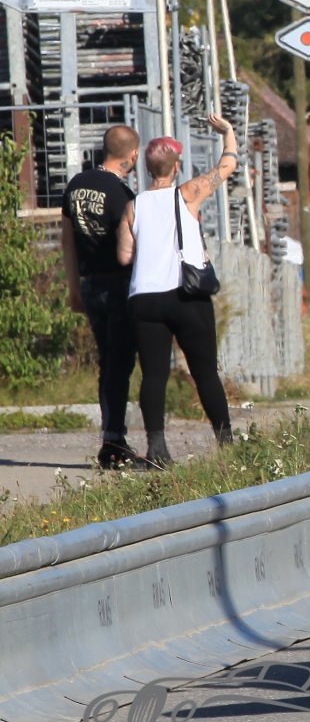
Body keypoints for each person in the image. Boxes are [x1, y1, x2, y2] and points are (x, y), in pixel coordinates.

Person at [114, 116, 238, 466]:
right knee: (204, 372)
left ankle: (157, 450)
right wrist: (228, 133)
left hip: (145, 298)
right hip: (186, 295)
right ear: (176, 166)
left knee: (154, 374)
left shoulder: (133, 206)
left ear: (146, 168)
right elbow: (227, 165)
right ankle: (227, 444)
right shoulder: (188, 193)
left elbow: (124, 256)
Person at [61, 124, 141, 468]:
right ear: (132, 155)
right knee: (120, 364)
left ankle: (111, 435)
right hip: (119, 285)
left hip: (90, 283)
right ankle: (114, 442)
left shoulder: (75, 185)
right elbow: (132, 244)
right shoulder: (122, 194)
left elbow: (67, 240)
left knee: (107, 362)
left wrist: (73, 287)